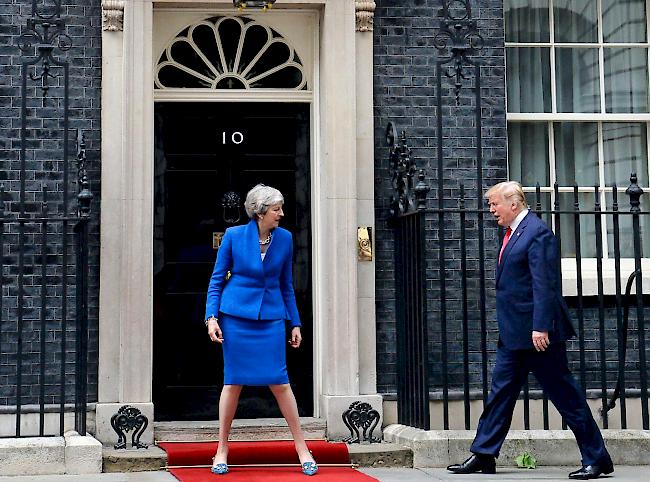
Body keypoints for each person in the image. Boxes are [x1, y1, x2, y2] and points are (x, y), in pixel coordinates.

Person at [447, 181, 613, 480]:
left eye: (494, 203)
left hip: (538, 336)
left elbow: (545, 284)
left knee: (565, 396)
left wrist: (540, 327)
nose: (491, 209)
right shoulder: (513, 233)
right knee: (500, 394)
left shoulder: (537, 232)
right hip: (514, 333)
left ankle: (597, 459)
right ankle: (484, 454)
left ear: (514, 203)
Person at [204, 184, 317, 476]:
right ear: (260, 211)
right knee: (233, 383)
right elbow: (217, 280)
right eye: (276, 209)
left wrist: (295, 322)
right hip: (236, 317)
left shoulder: (285, 239)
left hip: (271, 318)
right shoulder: (234, 236)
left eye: (281, 208)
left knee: (280, 382)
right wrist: (211, 318)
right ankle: (222, 448)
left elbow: (286, 284)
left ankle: (302, 447)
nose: (281, 213)